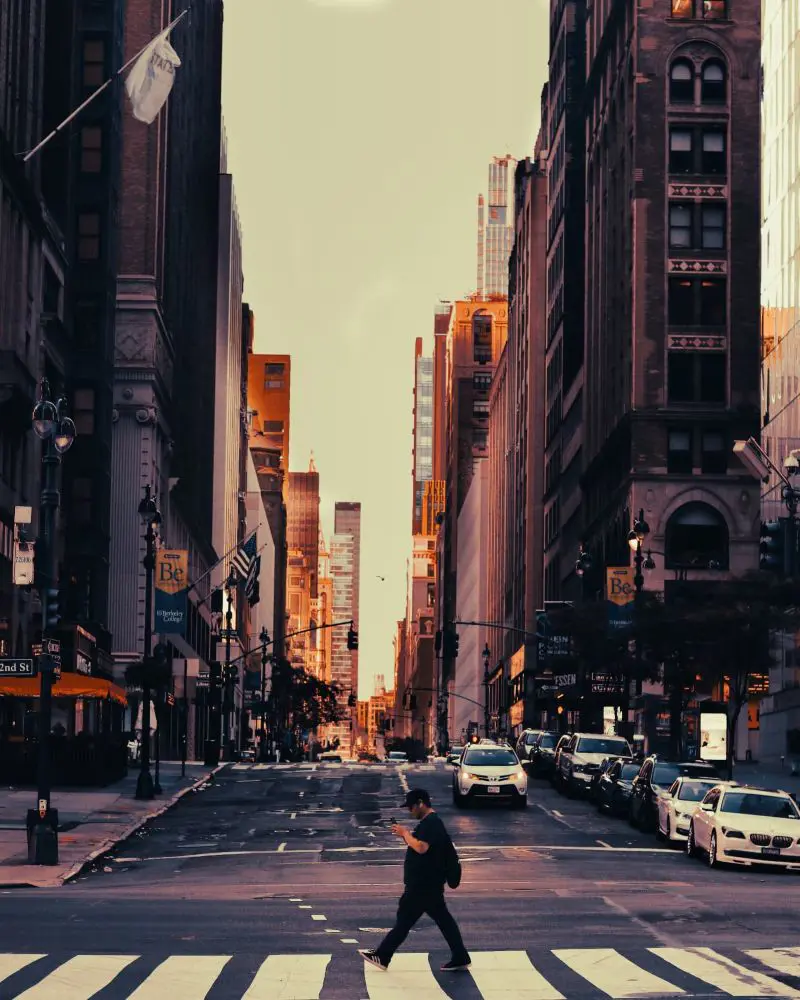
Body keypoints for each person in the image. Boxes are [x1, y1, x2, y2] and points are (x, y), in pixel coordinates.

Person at [359, 787, 470, 973]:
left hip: (423, 885)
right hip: (428, 884)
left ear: (421, 803)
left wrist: (404, 834)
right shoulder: (430, 823)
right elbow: (420, 846)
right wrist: (406, 835)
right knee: (441, 920)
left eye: (411, 807)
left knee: (405, 921)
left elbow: (421, 848)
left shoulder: (431, 823)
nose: (410, 811)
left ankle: (383, 955)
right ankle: (460, 956)